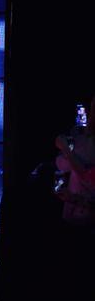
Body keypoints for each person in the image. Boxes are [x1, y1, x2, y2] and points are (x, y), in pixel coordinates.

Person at [55, 94, 95, 225]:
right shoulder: (82, 137)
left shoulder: (86, 142)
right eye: (91, 107)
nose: (90, 114)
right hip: (73, 215)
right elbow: (62, 165)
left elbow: (85, 173)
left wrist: (65, 149)